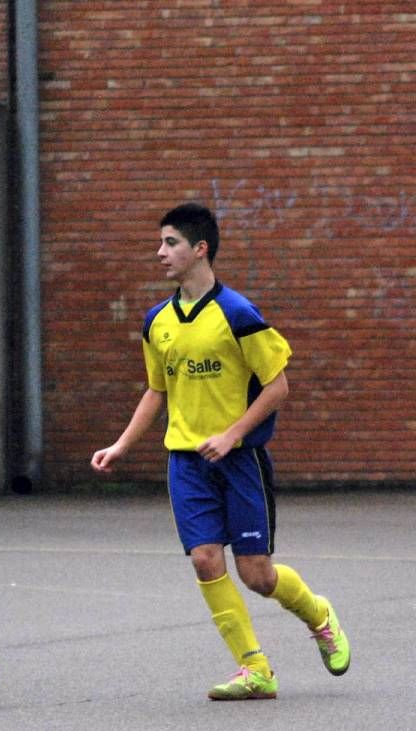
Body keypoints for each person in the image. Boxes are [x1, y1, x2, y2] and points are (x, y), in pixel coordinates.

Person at [90, 202, 350, 700]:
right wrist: (122, 444)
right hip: (186, 462)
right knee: (206, 560)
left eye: (171, 242)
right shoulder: (156, 322)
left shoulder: (238, 314)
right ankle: (255, 670)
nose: (160, 252)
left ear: (200, 249)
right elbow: (156, 391)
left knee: (257, 574)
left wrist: (232, 434)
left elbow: (278, 387)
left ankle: (319, 615)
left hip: (240, 461)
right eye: (161, 242)